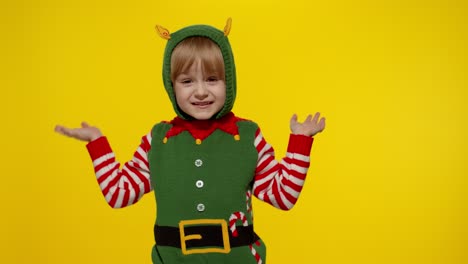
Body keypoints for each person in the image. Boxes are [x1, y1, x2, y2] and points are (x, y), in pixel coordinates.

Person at [55, 18, 325, 264]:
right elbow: (118, 194)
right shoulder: (158, 140)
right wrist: (97, 143)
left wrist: (300, 142)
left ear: (228, 81)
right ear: (171, 86)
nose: (200, 92)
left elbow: (283, 196)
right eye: (187, 81)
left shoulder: (247, 137)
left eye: (212, 79)